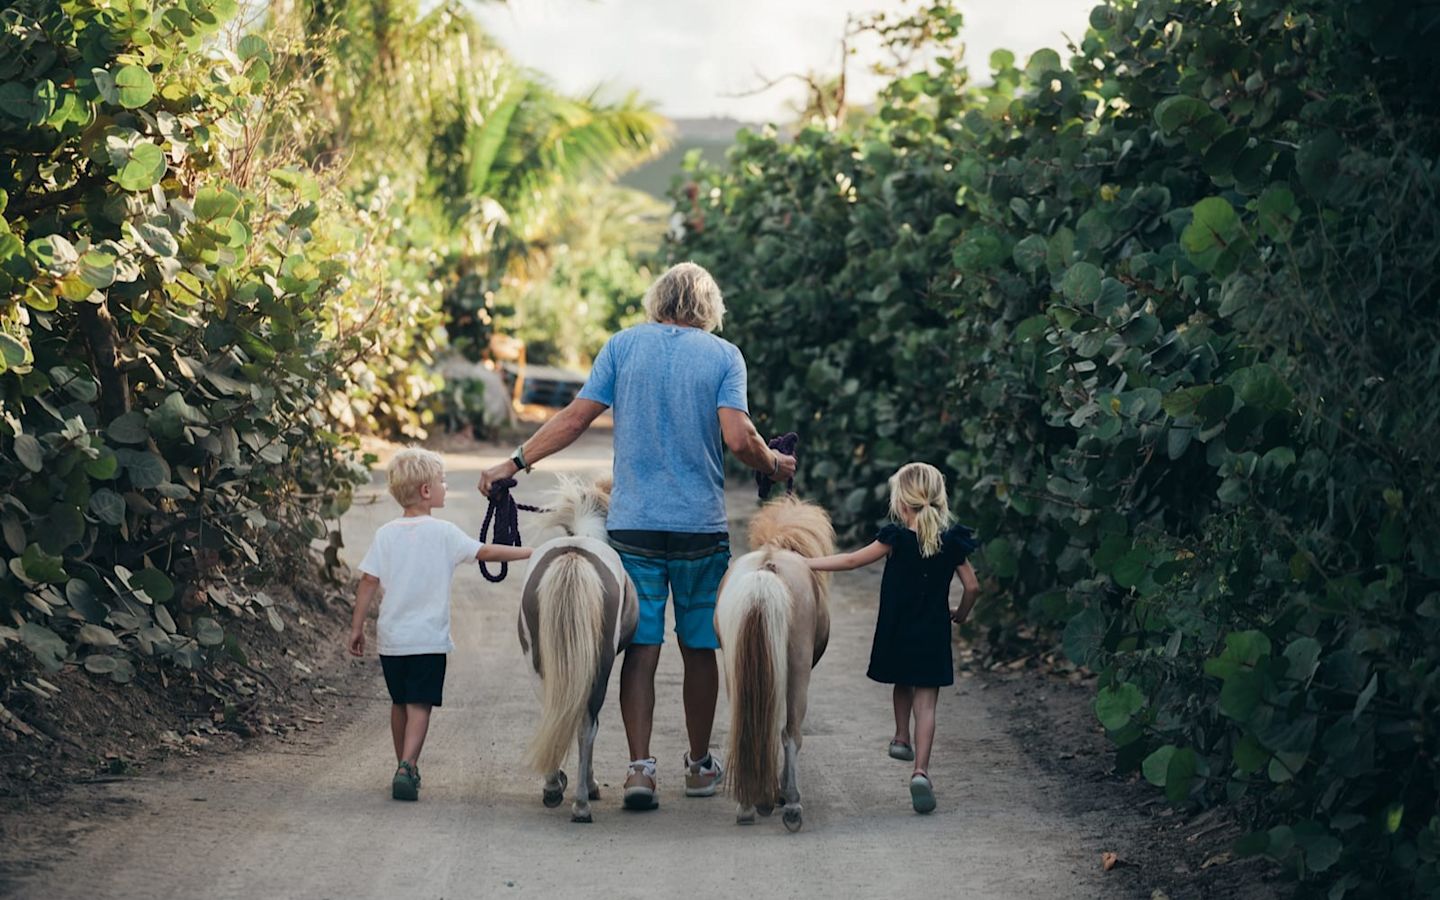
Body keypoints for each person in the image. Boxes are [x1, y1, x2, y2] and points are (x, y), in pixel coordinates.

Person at [477, 262, 797, 810]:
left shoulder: (622, 347)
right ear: (709, 307)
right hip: (700, 529)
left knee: (641, 648)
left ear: (657, 300)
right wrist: (775, 462)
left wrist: (514, 462)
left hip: (634, 526)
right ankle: (698, 767)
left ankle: (639, 771)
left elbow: (576, 418)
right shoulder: (724, 356)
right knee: (700, 647)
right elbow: (738, 436)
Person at [349, 447, 533, 801]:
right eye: (443, 481)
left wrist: (357, 628)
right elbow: (486, 552)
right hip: (428, 640)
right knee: (420, 703)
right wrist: (530, 552)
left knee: (399, 701)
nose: (447, 486)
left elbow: (368, 582)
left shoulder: (385, 534)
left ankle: (402, 763)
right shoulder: (444, 532)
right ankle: (408, 764)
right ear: (426, 492)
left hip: (392, 640)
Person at [805, 462, 980, 813]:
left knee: (903, 682)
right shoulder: (952, 540)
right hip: (933, 629)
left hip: (897, 627)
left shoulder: (895, 537)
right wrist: (961, 613)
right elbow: (973, 586)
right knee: (927, 703)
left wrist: (805, 563)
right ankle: (921, 772)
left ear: (901, 502)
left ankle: (901, 737)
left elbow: (853, 560)